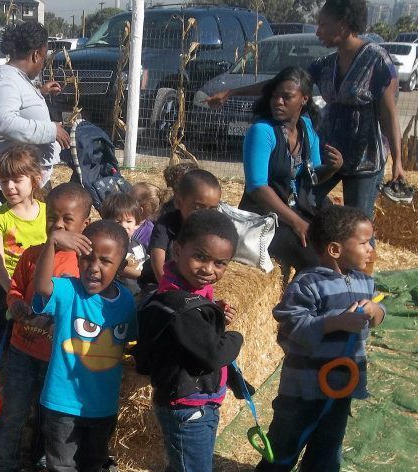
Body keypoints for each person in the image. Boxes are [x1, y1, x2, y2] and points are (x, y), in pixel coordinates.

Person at [242, 204, 386, 472]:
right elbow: (289, 324)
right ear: (335, 249)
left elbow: (375, 312)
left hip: (341, 385)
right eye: (363, 242)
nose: (370, 248)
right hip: (304, 384)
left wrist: (376, 314)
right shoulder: (307, 283)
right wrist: (332, 323)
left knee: (328, 443)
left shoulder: (364, 281)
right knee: (287, 436)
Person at [208, 0, 404, 220]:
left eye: (323, 25)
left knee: (357, 223)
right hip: (329, 152)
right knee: (306, 202)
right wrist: (232, 92)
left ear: (343, 24)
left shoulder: (376, 60)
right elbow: (285, 83)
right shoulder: (327, 64)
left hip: (364, 159)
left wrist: (398, 161)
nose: (318, 31)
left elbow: (389, 114)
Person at [132, 210, 244, 472]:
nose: (209, 269)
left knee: (182, 468)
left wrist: (216, 313)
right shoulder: (180, 308)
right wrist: (235, 338)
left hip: (195, 402)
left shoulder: (187, 294)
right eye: (201, 257)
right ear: (176, 250)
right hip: (187, 406)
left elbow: (201, 320)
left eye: (220, 263)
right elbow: (214, 352)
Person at [0, 183, 94, 472]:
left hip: (58, 360)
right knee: (13, 411)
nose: (57, 226)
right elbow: (16, 289)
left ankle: (42, 464)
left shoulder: (84, 265)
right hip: (21, 351)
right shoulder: (32, 255)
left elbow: (84, 310)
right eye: (52, 219)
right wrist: (15, 304)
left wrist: (55, 322)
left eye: (67, 220)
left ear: (84, 224)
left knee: (49, 415)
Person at [32, 220, 137, 472]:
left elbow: (130, 343)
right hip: (62, 403)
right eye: (87, 258)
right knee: (62, 465)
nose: (94, 267)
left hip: (102, 405)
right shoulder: (67, 291)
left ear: (120, 263)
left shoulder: (127, 302)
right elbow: (42, 287)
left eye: (105, 261)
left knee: (93, 462)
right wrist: (53, 244)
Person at [240, 67, 343, 273]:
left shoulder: (306, 127)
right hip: (267, 218)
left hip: (298, 209)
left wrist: (333, 168)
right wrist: (297, 222)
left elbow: (311, 177)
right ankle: (305, 301)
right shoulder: (262, 131)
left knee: (341, 239)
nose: (278, 101)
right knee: (315, 260)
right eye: (275, 96)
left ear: (304, 99)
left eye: (286, 97)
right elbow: (257, 187)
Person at [0, 20, 69, 208]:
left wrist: (39, 92)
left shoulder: (14, 78)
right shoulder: (6, 80)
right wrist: (51, 130)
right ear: (36, 54)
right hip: (13, 178)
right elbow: (4, 122)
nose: (43, 64)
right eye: (44, 58)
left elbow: (16, 104)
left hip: (23, 174)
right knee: (19, 236)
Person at [0, 144, 47, 354]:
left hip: (34, 281)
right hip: (2, 283)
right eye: (4, 180)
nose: (9, 187)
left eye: (17, 180)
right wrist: (11, 290)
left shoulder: (48, 212)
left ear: (35, 179)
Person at [141, 168, 222, 292]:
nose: (204, 215)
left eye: (212, 209)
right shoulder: (166, 223)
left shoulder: (210, 229)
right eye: (198, 208)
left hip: (189, 285)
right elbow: (157, 258)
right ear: (179, 202)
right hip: (158, 283)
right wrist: (168, 289)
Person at [100, 192, 148, 295]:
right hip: (120, 294)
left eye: (129, 221)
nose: (123, 226)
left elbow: (144, 262)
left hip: (140, 292)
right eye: (118, 222)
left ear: (137, 224)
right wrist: (143, 275)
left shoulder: (137, 245)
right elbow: (118, 268)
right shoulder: (109, 247)